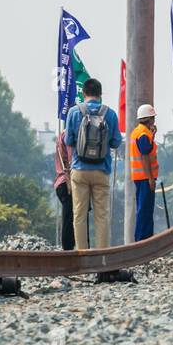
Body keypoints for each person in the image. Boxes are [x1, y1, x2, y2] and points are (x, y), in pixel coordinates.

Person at [63, 78, 122, 257]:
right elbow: (116, 142)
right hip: (101, 171)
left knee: (79, 214)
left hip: (79, 170)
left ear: (84, 93)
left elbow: (68, 141)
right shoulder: (110, 114)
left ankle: (82, 254)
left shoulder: (74, 112)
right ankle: (102, 257)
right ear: (100, 94)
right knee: (102, 215)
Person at [128, 103, 159, 242]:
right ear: (150, 119)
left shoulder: (138, 132)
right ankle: (143, 240)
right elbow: (145, 156)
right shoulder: (143, 134)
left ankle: (144, 239)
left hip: (140, 177)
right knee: (145, 210)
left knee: (144, 208)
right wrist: (150, 178)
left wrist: (152, 135)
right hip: (145, 178)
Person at [53, 131, 75, 250]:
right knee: (71, 217)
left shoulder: (62, 135)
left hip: (60, 182)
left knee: (70, 217)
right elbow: (70, 162)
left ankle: (69, 248)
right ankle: (68, 249)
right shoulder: (69, 135)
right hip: (67, 182)